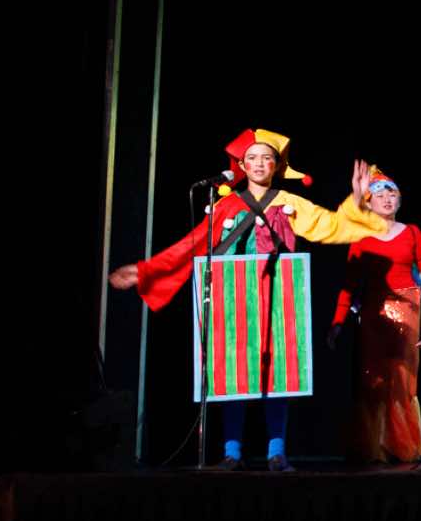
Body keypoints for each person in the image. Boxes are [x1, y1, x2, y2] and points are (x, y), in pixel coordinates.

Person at [109, 127, 384, 471]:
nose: (259, 163)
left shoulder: (289, 203)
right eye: (252, 158)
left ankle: (276, 451)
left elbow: (331, 225)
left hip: (279, 297)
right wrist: (147, 271)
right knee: (232, 371)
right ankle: (232, 452)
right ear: (241, 165)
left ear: (277, 166)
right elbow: (192, 245)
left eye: (267, 158)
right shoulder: (226, 205)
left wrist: (356, 201)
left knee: (279, 372)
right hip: (234, 297)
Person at [328, 168, 421, 468]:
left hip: (407, 306)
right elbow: (350, 283)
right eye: (380, 195)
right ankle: (375, 444)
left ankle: (402, 444)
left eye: (392, 194)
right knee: (373, 377)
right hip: (375, 308)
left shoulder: (411, 232)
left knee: (402, 377)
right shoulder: (361, 236)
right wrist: (338, 322)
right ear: (368, 202)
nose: (387, 199)